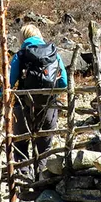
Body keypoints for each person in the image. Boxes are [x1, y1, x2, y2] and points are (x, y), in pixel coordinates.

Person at [9, 23, 67, 174]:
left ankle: (24, 181)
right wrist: (53, 95)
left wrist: (0, 95)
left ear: (22, 38)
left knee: (20, 145)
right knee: (44, 147)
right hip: (48, 106)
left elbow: (9, 82)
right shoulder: (53, 54)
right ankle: (41, 182)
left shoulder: (20, 55)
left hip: (23, 106)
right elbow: (64, 82)